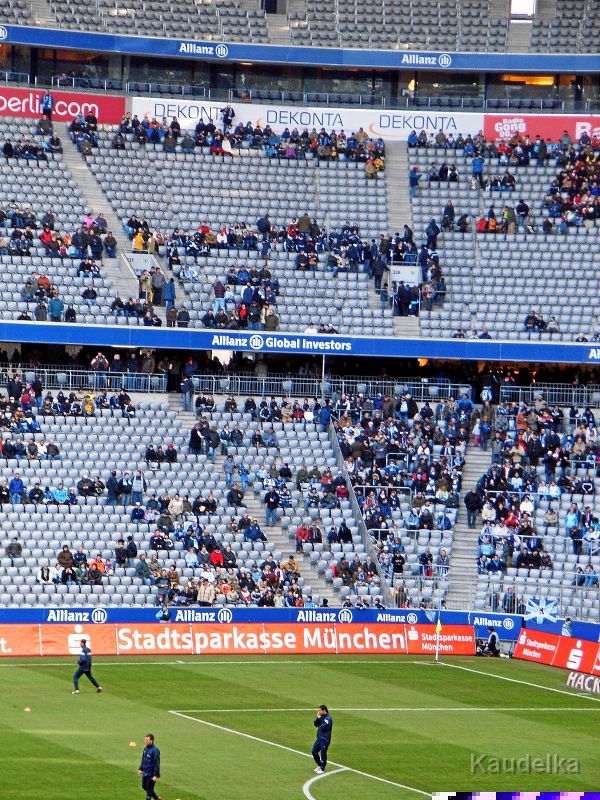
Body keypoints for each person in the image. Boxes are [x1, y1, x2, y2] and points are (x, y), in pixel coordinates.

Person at [138, 733, 161, 800]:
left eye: (147, 740)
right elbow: (143, 760)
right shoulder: (145, 749)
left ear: (151, 740)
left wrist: (155, 775)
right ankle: (157, 799)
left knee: (149, 789)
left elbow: (157, 763)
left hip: (151, 774)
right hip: (145, 772)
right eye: (145, 740)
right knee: (144, 786)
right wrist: (140, 768)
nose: (145, 741)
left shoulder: (155, 750)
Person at [311, 704, 333, 775]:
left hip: (325, 739)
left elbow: (323, 727)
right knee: (314, 751)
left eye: (320, 710)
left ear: (324, 710)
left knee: (323, 753)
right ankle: (319, 765)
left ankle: (322, 768)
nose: (318, 711)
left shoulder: (328, 719)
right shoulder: (321, 717)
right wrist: (318, 718)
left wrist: (320, 721)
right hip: (319, 739)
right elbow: (315, 724)